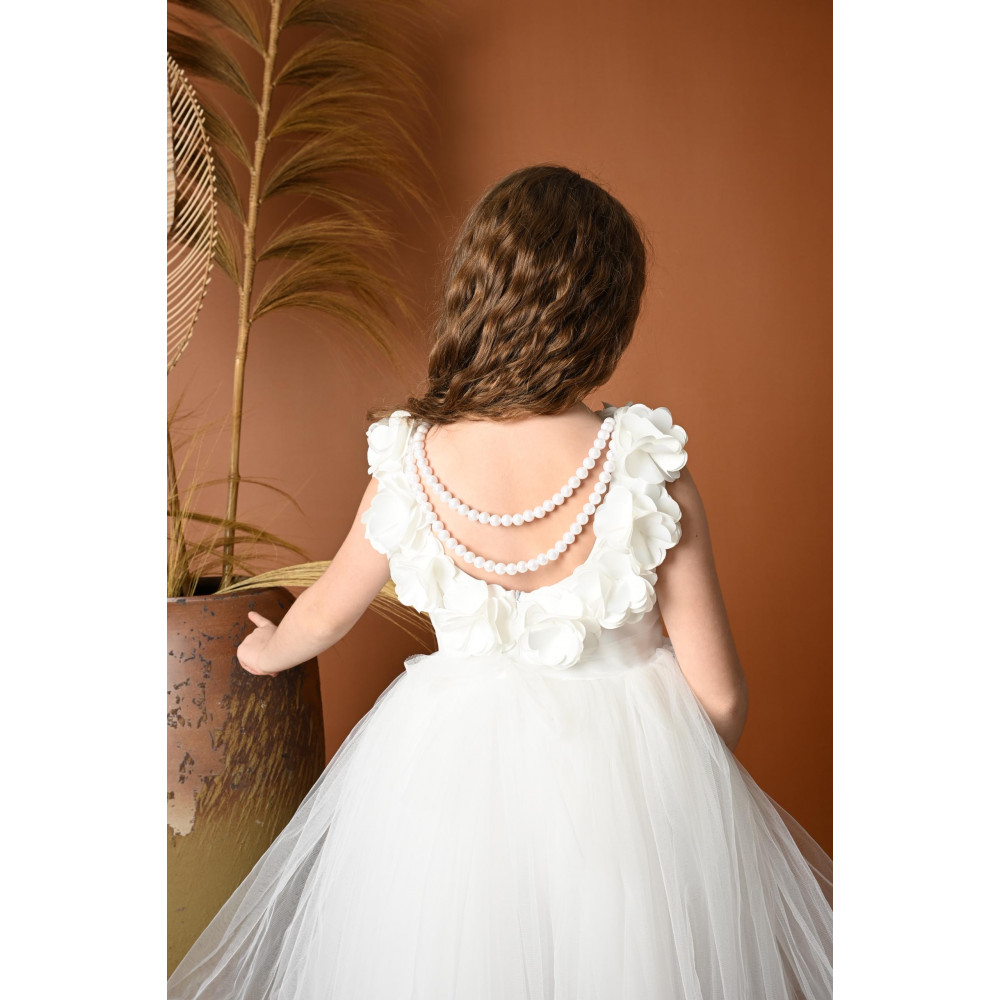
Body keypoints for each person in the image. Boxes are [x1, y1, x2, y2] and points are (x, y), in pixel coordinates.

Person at [167, 164, 833, 999]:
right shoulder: (642, 467)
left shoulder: (411, 459)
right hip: (617, 803)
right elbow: (722, 697)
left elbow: (329, 609)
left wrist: (266, 651)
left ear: (474, 296)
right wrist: (678, 777)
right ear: (608, 314)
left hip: (447, 787)